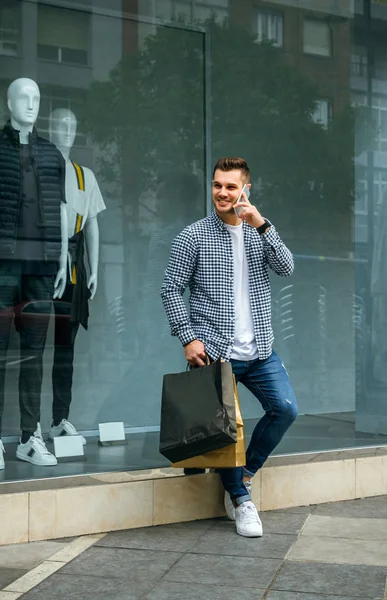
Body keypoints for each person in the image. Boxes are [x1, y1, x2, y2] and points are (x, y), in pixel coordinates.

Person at [161, 156, 298, 537]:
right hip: (215, 351)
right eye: (217, 185)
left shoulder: (259, 231)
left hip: (260, 350)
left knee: (285, 409)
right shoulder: (193, 235)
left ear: (245, 190)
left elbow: (286, 267)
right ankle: (240, 499)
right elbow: (171, 289)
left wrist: (263, 225)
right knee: (225, 430)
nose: (222, 193)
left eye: (231, 186)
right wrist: (188, 337)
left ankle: (244, 474)